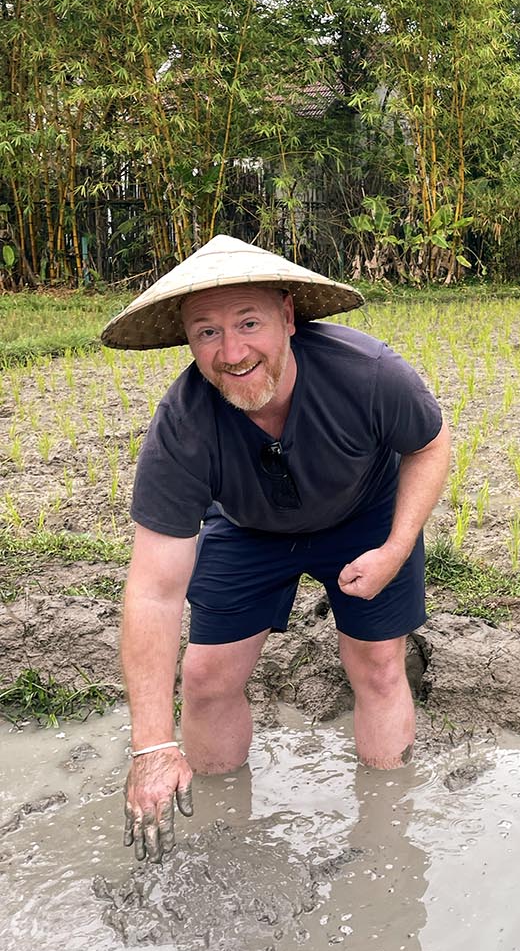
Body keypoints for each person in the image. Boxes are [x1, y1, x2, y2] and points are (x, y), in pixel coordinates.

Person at [101, 235, 450, 861]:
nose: (231, 353)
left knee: (376, 664)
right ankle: (219, 838)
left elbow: (430, 443)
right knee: (206, 678)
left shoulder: (365, 373)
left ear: (289, 316)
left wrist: (397, 548)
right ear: (186, 339)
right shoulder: (183, 425)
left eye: (249, 322)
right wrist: (151, 745)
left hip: (365, 515)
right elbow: (153, 591)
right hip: (247, 525)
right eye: (206, 331)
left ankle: (386, 839)